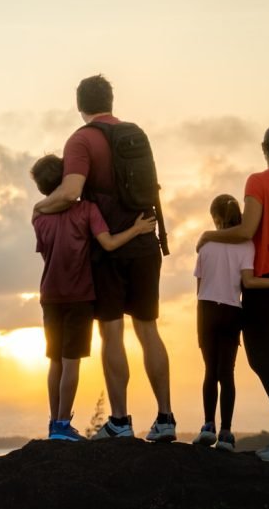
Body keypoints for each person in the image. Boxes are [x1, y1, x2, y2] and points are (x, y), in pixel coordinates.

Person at [32, 75, 176, 441]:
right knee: (148, 329)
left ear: (80, 105)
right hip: (145, 239)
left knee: (112, 332)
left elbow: (70, 192)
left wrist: (42, 205)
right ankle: (165, 418)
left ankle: (120, 422)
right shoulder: (135, 135)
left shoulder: (81, 139)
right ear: (110, 100)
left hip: (108, 246)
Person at [196, 124, 269, 462]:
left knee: (261, 359)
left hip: (268, 280)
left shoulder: (258, 182)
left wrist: (209, 235)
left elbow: (247, 231)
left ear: (265, 148)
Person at [30, 154, 156, 441]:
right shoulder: (87, 209)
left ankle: (54, 423)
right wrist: (137, 229)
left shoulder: (38, 216)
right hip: (79, 295)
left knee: (55, 361)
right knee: (71, 361)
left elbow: (45, 249)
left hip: (49, 295)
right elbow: (109, 243)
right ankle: (63, 426)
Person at [193, 194, 269, 451]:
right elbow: (249, 282)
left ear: (215, 218)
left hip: (206, 310)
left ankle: (208, 426)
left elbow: (199, 288)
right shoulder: (246, 245)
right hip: (232, 311)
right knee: (227, 374)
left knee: (210, 371)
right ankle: (226, 433)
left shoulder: (205, 245)